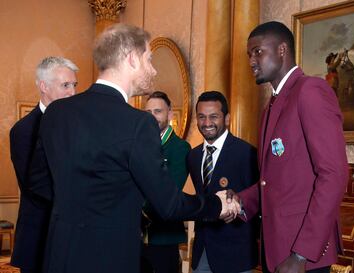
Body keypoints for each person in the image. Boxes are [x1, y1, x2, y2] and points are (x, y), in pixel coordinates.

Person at [27, 24, 236, 273]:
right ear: (132, 58)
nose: (154, 69)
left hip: (58, 255)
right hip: (110, 259)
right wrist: (216, 204)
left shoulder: (56, 113)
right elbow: (168, 205)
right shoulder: (138, 123)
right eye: (149, 59)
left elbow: (37, 183)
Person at [226, 21, 348, 273]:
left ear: (282, 50)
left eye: (258, 51)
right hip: (277, 251)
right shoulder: (272, 106)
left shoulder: (310, 90)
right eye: (249, 54)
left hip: (302, 257)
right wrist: (241, 201)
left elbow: (333, 174)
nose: (251, 61)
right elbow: (273, 181)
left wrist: (302, 254)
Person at [9, 56, 78, 273]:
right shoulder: (23, 130)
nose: (72, 92)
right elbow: (34, 188)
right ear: (43, 86)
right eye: (65, 85)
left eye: (74, 85)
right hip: (39, 234)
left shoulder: (78, 124)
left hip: (71, 236)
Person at [188, 91, 259, 273]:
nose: (207, 123)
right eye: (202, 117)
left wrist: (239, 207)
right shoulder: (193, 156)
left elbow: (260, 197)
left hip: (235, 255)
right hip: (202, 253)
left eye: (214, 117)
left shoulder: (247, 153)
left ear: (227, 118)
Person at [141, 91, 191, 273]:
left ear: (169, 114)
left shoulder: (180, 148)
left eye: (157, 111)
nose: (152, 117)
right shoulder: (137, 145)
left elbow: (169, 192)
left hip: (163, 237)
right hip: (135, 238)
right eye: (148, 112)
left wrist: (133, 208)